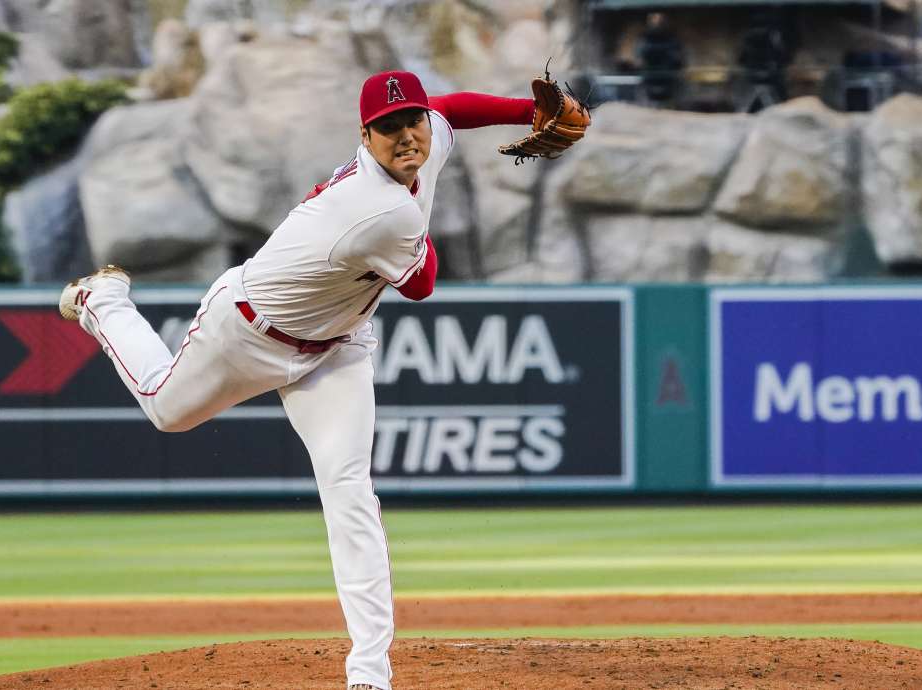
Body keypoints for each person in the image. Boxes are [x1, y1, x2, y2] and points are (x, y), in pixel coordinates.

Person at [59, 71, 554, 690]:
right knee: (166, 410)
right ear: (365, 135)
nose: (407, 136)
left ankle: (369, 672)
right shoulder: (377, 208)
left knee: (349, 493)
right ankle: (105, 299)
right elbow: (423, 284)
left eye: (413, 121)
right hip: (246, 331)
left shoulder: (425, 139)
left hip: (337, 346)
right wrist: (420, 206)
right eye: (388, 127)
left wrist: (527, 112)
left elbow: (453, 108)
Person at [636, 12, 685, 107]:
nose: (656, 24)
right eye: (654, 21)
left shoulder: (671, 39)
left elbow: (677, 58)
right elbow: (640, 59)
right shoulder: (644, 39)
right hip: (650, 77)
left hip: (667, 77)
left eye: (659, 21)